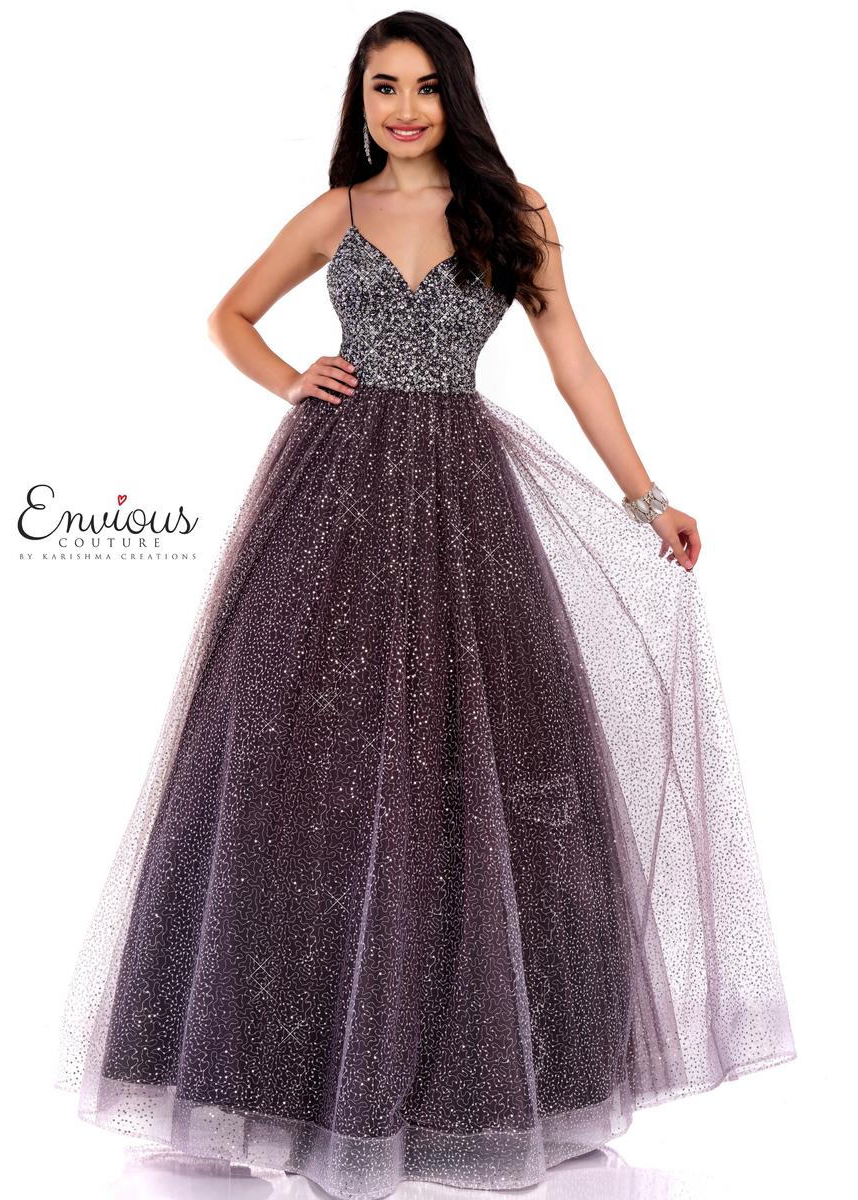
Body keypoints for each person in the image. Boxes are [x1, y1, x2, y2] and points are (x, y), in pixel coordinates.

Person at [55, 12, 796, 1198]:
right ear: (359, 99)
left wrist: (647, 494)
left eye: (425, 87)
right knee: (300, 761)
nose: (403, 109)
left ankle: (483, 1085)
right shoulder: (337, 212)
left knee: (478, 765)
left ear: (459, 97)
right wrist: (290, 377)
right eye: (382, 87)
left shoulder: (515, 212)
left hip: (464, 503)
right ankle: (286, 1082)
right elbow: (229, 315)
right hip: (330, 497)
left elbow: (573, 359)